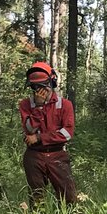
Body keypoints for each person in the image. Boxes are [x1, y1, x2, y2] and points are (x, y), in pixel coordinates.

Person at [19, 61, 78, 203]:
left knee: (68, 196)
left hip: (57, 154)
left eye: (42, 85)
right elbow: (29, 129)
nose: (39, 90)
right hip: (34, 155)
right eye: (35, 86)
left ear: (52, 82)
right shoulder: (26, 104)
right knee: (37, 197)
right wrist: (39, 107)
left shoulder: (65, 105)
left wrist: (39, 137)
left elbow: (67, 133)